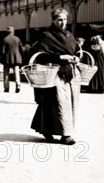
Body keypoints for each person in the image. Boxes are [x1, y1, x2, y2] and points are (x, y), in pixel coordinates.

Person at [30, 8, 81, 145]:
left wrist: (76, 58)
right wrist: (59, 57)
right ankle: (66, 135)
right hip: (54, 73)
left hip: (69, 73)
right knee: (60, 104)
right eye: (59, 20)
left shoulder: (69, 35)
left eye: (64, 19)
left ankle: (44, 128)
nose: (62, 22)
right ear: (53, 20)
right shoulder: (47, 36)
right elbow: (40, 56)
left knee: (61, 103)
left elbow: (75, 50)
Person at [1, 27, 24, 93]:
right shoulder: (17, 39)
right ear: (13, 32)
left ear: (7, 32)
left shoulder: (5, 39)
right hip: (16, 58)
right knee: (17, 73)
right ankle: (18, 86)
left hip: (7, 59)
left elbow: (3, 51)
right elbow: (21, 49)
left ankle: (6, 88)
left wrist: (2, 58)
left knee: (6, 74)